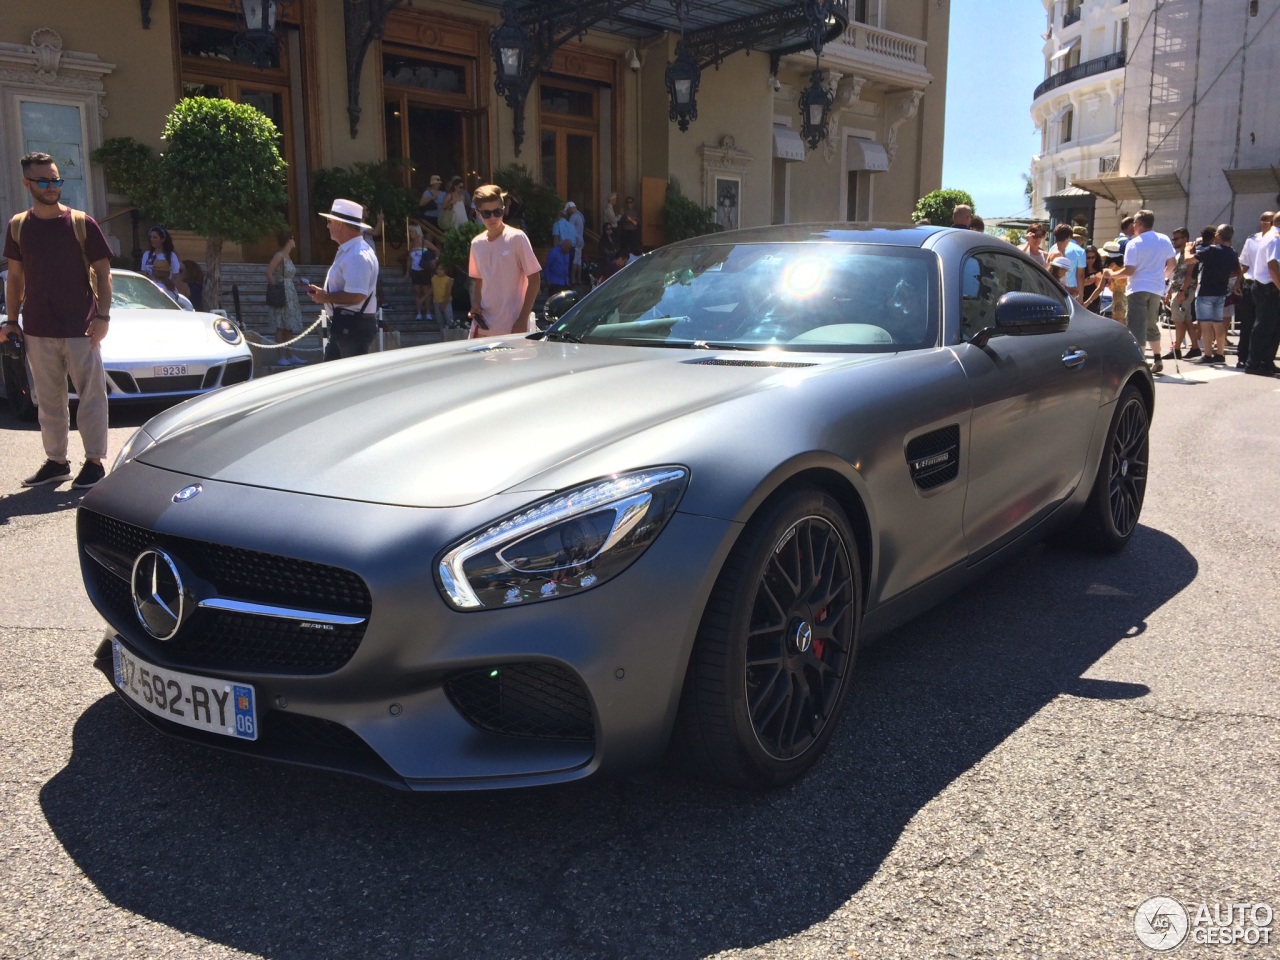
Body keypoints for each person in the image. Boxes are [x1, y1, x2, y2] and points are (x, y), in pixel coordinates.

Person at [2, 151, 113, 488]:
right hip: (37, 328)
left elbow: (103, 274)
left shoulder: (81, 223)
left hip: (81, 326)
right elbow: (16, 279)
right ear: (27, 183)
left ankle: (94, 461)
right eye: (45, 181)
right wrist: (11, 321)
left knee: (91, 397)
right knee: (49, 401)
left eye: (56, 180)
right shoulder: (19, 226)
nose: (52, 186)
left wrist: (103, 317)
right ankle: (57, 461)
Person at [466, 183, 541, 338]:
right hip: (484, 328)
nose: (492, 218)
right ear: (478, 214)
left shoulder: (517, 238)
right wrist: (475, 305)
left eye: (497, 212)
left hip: (514, 329)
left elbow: (534, 279)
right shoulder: (476, 244)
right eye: (487, 213)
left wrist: (523, 318)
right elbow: (478, 280)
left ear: (503, 210)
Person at [308, 198, 379, 359]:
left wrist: (325, 297)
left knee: (350, 382)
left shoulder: (356, 255)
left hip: (353, 327)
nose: (327, 226)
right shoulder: (352, 251)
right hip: (347, 325)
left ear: (340, 224)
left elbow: (357, 295)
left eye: (329, 221)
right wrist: (325, 295)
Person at [1119, 209, 1177, 373]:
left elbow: (1129, 270)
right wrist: (1162, 276)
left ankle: (1140, 364)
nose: (1133, 226)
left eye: (1134, 223)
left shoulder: (1134, 243)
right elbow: (1172, 263)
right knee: (1151, 322)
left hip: (1138, 287)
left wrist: (1112, 274)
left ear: (1139, 224)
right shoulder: (1164, 239)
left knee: (1137, 325)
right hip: (1156, 287)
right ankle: (1157, 358)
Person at [1187, 224, 1242, 365]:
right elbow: (1237, 270)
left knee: (1205, 325)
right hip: (1221, 291)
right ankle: (1220, 353)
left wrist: (1188, 249)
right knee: (1218, 323)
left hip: (1206, 291)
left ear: (1218, 235)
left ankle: (1208, 354)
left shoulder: (1212, 250)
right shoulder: (1232, 252)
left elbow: (1189, 259)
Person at [1235, 211, 1274, 368]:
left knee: (1266, 325)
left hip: (1267, 285)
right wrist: (1238, 282)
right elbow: (1244, 264)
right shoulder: (1252, 239)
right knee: (1247, 323)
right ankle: (1243, 356)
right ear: (1263, 223)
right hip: (1251, 284)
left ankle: (1264, 358)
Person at [1244, 212, 1280, 377]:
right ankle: (1255, 363)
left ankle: (1266, 362)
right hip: (1268, 288)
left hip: (1267, 288)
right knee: (1265, 327)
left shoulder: (1270, 235)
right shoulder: (1275, 238)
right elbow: (1272, 266)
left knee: (1272, 328)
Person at [266, 229, 305, 365]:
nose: (294, 241)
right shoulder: (279, 256)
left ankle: (291, 354)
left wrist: (298, 281)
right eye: (293, 238)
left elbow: (287, 276)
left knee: (289, 326)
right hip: (282, 293)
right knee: (280, 326)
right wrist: (275, 288)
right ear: (289, 240)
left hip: (290, 293)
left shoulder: (288, 257)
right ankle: (281, 356)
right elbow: (269, 272)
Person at [1163, 227, 1200, 359]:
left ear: (1185, 238)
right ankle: (1195, 347)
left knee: (1178, 321)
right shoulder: (1180, 254)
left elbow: (1190, 275)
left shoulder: (1190, 254)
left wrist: (1182, 291)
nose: (1174, 241)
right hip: (1179, 289)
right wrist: (1170, 292)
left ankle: (1176, 349)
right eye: (1174, 239)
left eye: (1177, 238)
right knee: (1187, 320)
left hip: (1185, 291)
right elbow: (1177, 275)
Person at [405, 225, 438, 321]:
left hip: (425, 270)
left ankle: (428, 312)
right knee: (417, 292)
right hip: (415, 271)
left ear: (417, 233)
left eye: (412, 232)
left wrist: (435, 260)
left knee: (426, 290)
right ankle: (419, 312)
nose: (410, 234)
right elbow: (409, 259)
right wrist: (407, 271)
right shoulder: (411, 244)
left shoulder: (425, 243)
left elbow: (437, 250)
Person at [1050, 223, 1086, 300]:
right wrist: (1080, 295)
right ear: (1068, 237)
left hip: (1062, 293)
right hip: (1058, 296)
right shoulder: (1057, 254)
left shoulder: (1053, 249)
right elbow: (1053, 278)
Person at [141, 225, 179, 291]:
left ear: (163, 239)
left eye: (155, 237)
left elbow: (176, 276)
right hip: (150, 289)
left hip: (166, 290)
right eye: (151, 237)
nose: (152, 239)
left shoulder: (171, 256)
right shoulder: (147, 254)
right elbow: (144, 273)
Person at [566, 201, 586, 285]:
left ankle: (573, 279)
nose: (568, 212)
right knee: (579, 260)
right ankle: (579, 279)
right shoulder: (581, 215)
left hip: (576, 240)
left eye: (568, 210)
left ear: (571, 208)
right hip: (581, 239)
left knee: (575, 261)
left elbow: (569, 228)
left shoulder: (574, 216)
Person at [431, 261, 455, 329]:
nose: (439, 271)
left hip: (446, 302)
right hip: (436, 301)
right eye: (438, 269)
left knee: (449, 319)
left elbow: (448, 292)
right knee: (439, 321)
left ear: (445, 270)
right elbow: (432, 289)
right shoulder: (434, 278)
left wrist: (444, 304)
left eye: (441, 269)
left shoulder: (448, 279)